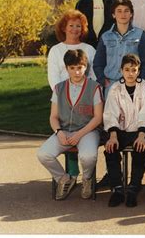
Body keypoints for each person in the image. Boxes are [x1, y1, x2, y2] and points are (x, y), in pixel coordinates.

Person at [37, 49, 103, 200]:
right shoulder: (59, 88)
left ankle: (87, 179)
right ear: (66, 68)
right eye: (72, 68)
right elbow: (53, 117)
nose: (76, 72)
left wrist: (79, 134)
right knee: (43, 154)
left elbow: (98, 118)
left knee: (88, 157)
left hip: (88, 131)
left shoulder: (94, 87)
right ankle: (64, 179)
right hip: (65, 130)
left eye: (79, 67)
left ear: (86, 67)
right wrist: (59, 132)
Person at [103, 54, 145, 208]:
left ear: (138, 71)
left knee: (140, 149)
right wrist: (113, 136)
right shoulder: (115, 88)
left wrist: (141, 136)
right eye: (127, 70)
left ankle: (133, 188)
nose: (130, 73)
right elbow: (110, 113)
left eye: (134, 70)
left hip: (139, 130)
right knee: (110, 149)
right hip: (120, 129)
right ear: (121, 70)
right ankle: (118, 189)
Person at [93, 0, 145, 93]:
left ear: (131, 14)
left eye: (126, 11)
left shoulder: (141, 35)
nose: (123, 14)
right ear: (113, 14)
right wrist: (103, 81)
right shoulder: (105, 37)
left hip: (133, 87)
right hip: (111, 86)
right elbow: (98, 63)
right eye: (119, 11)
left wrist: (140, 82)